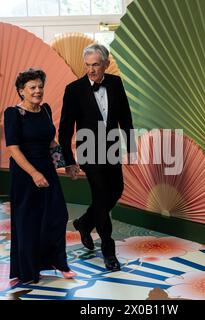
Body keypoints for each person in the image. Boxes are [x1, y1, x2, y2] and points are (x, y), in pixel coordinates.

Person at [59, 44, 135, 272]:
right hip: (88, 151)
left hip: (111, 149)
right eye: (88, 65)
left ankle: (84, 223)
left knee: (117, 190)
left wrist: (130, 147)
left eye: (95, 65)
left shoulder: (115, 83)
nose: (91, 70)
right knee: (101, 196)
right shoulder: (73, 89)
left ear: (106, 64)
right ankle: (109, 251)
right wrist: (69, 160)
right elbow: (64, 128)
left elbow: (125, 116)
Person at [4, 68, 76, 284]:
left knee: (57, 215)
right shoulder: (13, 114)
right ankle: (27, 270)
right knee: (28, 221)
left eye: (40, 87)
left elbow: (51, 142)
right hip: (25, 174)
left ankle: (57, 262)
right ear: (21, 91)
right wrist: (34, 173)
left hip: (47, 171)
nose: (38, 91)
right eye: (32, 87)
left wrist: (67, 164)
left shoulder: (45, 110)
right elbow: (14, 149)